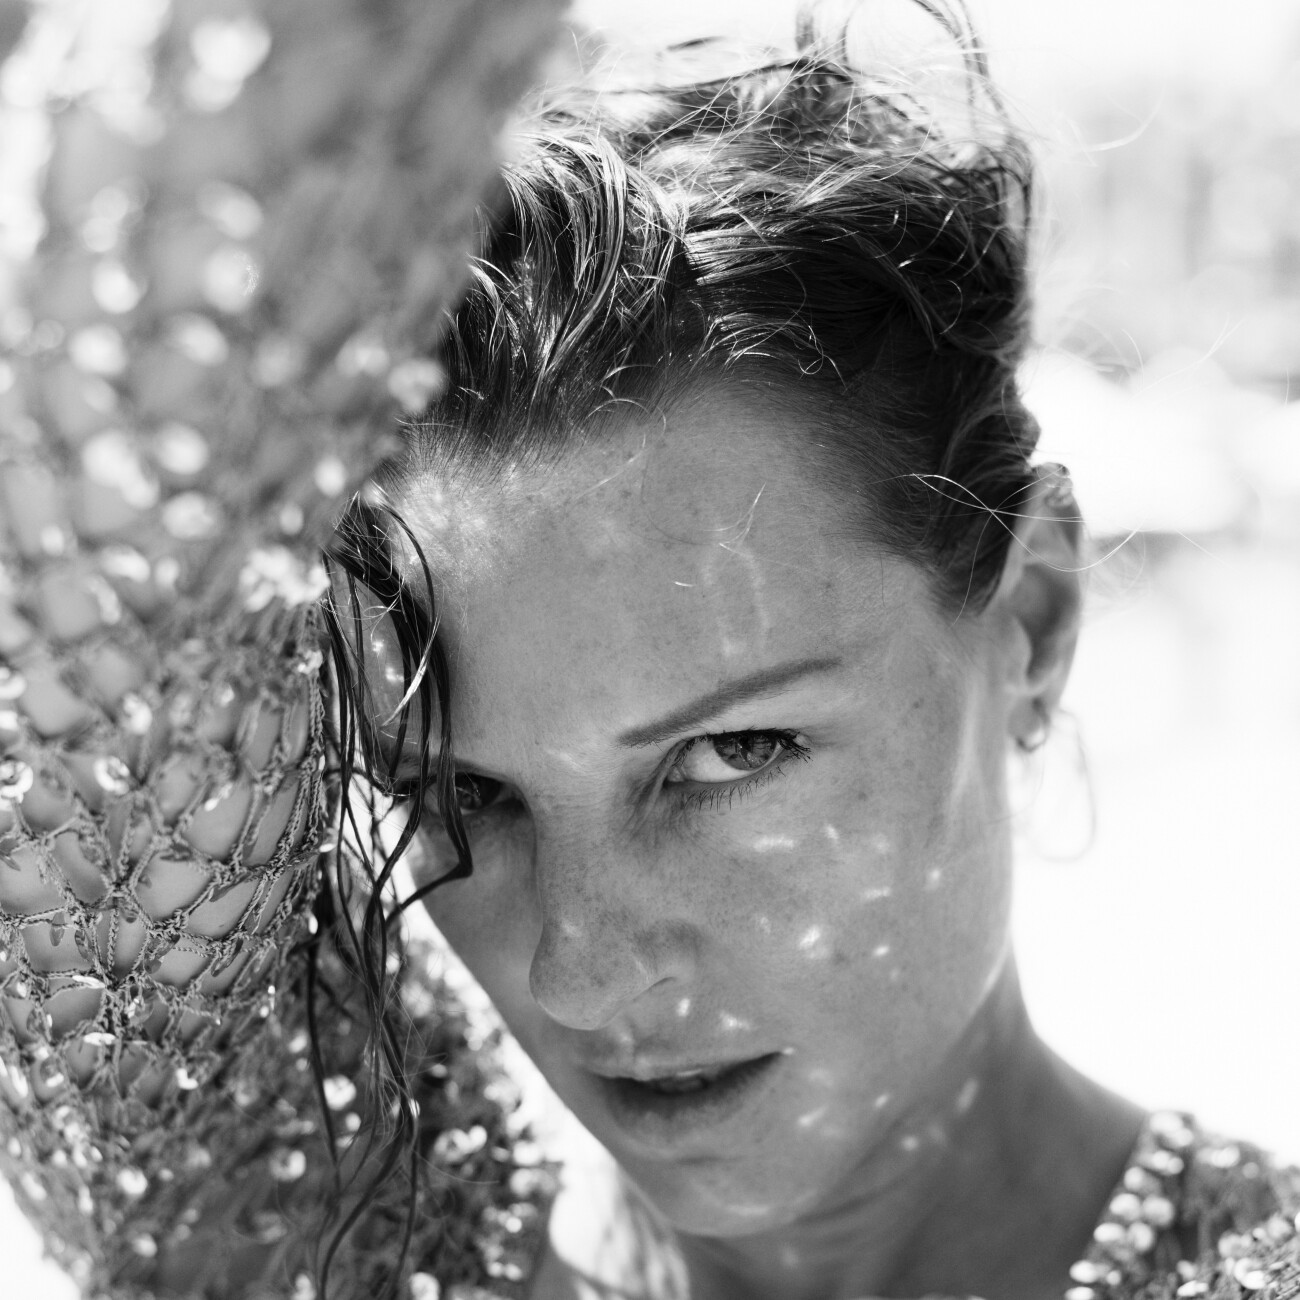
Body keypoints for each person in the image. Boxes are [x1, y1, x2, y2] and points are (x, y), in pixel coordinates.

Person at [0, 4, 1297, 1300]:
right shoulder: (293, 1222)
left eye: (734, 751)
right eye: (463, 794)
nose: (580, 970)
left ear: (1036, 621)